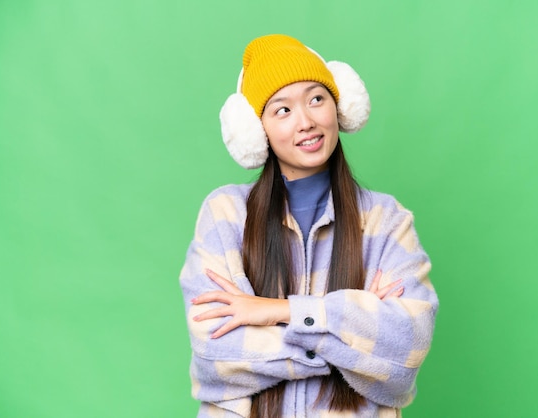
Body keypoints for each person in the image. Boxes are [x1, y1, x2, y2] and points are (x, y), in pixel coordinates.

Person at [179, 34, 438, 417]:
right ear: (257, 129)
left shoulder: (387, 221)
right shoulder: (226, 214)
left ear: (340, 106)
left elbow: (408, 345)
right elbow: (214, 353)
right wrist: (355, 336)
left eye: (317, 99)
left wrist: (278, 311)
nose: (306, 121)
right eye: (282, 110)